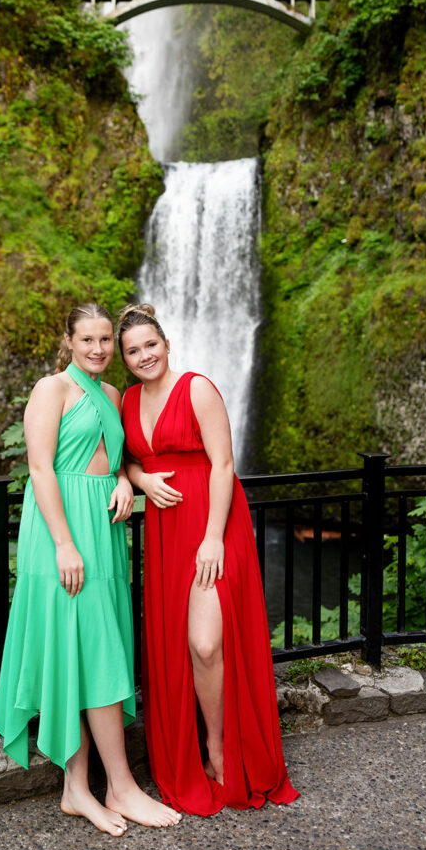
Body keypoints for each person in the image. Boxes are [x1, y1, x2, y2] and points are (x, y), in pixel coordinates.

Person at [0, 303, 181, 836]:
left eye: (105, 341)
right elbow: (39, 467)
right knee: (84, 649)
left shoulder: (114, 395)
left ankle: (80, 790)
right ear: (70, 342)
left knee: (87, 650)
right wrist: (63, 544)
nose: (98, 349)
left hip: (103, 530)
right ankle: (115, 786)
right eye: (88, 340)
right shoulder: (50, 389)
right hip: (63, 532)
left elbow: (115, 456)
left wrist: (125, 479)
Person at [117, 304, 299, 817]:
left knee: (204, 642)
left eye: (150, 344)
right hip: (166, 530)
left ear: (167, 344)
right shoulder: (129, 401)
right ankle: (200, 749)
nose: (144, 355)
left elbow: (223, 463)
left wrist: (214, 537)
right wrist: (139, 478)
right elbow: (127, 457)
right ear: (125, 360)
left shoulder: (198, 387)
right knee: (186, 645)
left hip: (211, 527)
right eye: (133, 350)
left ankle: (219, 748)